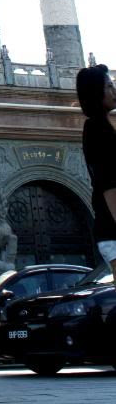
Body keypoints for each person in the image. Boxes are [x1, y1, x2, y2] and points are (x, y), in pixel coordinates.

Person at [76, 63, 116, 280]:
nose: (114, 90)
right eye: (109, 86)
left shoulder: (105, 126)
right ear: (96, 92)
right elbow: (108, 183)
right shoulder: (97, 129)